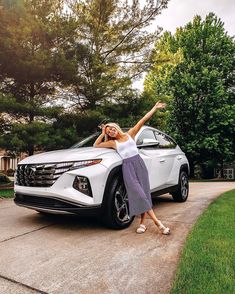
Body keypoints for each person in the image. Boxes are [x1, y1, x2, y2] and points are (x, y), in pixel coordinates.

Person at [93, 101, 170, 235]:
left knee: (145, 194)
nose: (111, 131)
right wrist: (102, 132)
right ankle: (159, 224)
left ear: (116, 127)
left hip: (139, 164)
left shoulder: (130, 134)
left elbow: (144, 119)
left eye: (112, 128)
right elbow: (96, 145)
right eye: (108, 131)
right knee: (139, 194)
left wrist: (154, 108)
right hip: (127, 167)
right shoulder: (112, 143)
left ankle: (142, 223)